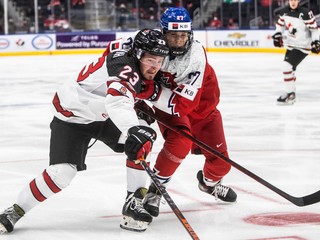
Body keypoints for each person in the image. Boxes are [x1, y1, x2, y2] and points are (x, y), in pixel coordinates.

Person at [0, 29, 169, 234]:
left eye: (160, 61)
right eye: (151, 60)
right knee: (61, 174)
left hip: (102, 114)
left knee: (143, 139)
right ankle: (15, 211)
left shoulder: (132, 56)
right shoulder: (124, 65)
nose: (155, 67)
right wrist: (133, 127)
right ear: (138, 54)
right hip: (72, 117)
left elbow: (119, 98)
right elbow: (117, 101)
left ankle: (133, 201)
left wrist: (137, 111)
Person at [121, 7, 237, 232]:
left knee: (222, 164)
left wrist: (147, 96)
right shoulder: (151, 47)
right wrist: (140, 104)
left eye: (183, 35)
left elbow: (185, 103)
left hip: (201, 110)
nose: (178, 40)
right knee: (180, 143)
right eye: (173, 35)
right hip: (171, 108)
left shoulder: (195, 55)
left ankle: (210, 183)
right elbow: (131, 76)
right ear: (163, 32)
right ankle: (155, 191)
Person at [272, 0, 320, 105]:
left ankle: (290, 94)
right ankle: (290, 92)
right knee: (290, 69)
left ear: (298, 1)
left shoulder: (305, 13)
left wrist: (316, 41)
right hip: (291, 45)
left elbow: (314, 29)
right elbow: (280, 25)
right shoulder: (284, 12)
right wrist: (277, 35)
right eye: (291, 0)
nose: (293, 2)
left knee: (286, 66)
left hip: (303, 47)